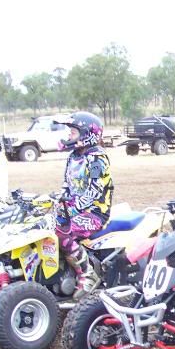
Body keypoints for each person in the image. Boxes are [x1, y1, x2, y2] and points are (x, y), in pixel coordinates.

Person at [52, 111, 113, 299]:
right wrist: (57, 201)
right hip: (74, 210)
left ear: (87, 134)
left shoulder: (97, 158)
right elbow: (67, 185)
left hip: (94, 213)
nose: (69, 135)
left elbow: (94, 190)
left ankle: (88, 273)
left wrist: (72, 208)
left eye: (73, 132)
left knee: (61, 231)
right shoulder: (73, 156)